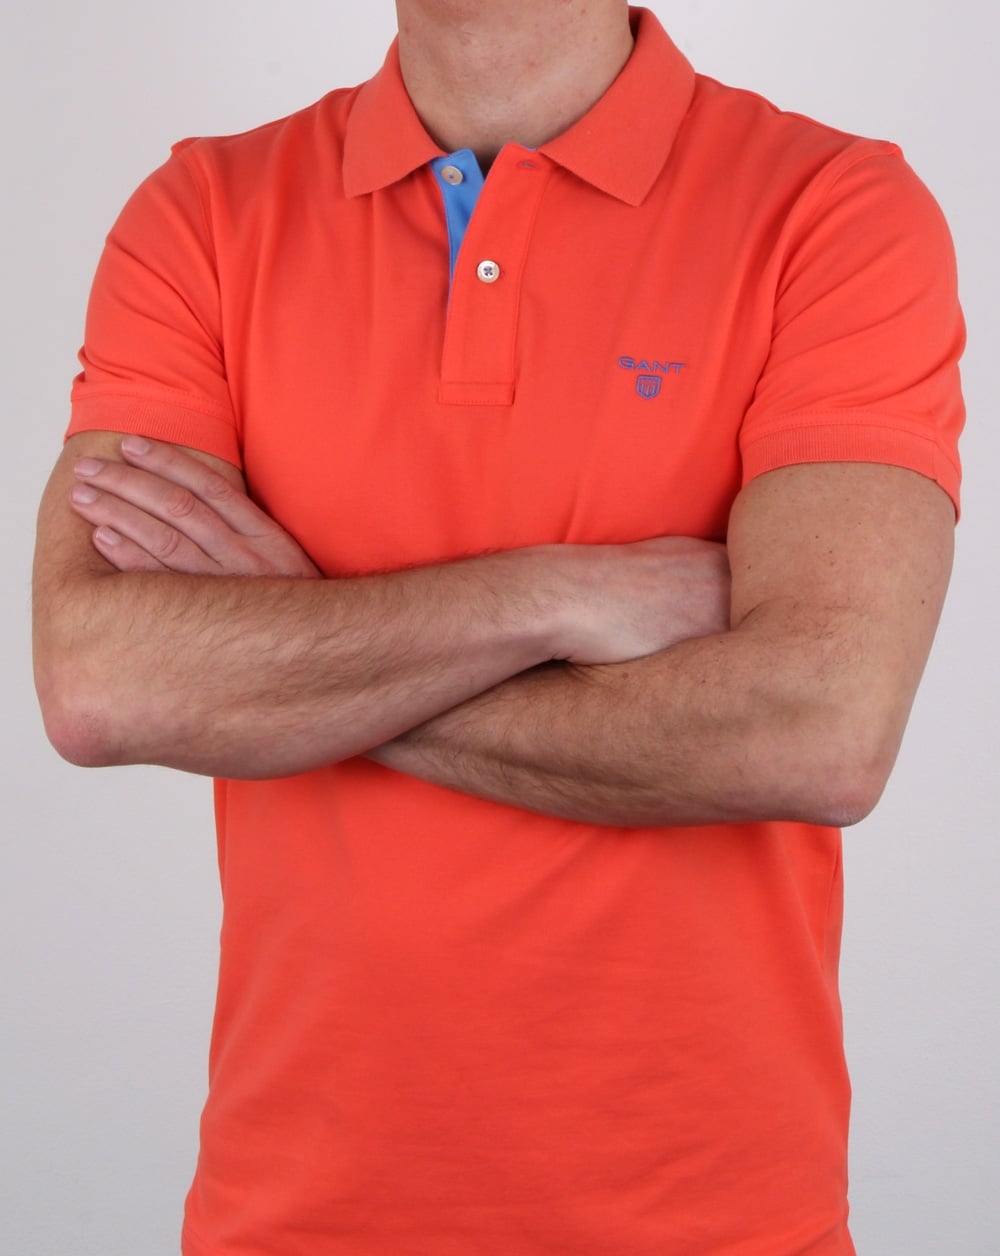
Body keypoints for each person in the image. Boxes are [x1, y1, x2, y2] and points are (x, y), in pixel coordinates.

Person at [32, 2, 964, 1253]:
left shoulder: (831, 209)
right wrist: (552, 596)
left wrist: (294, 649)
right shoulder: (205, 211)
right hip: (288, 1216)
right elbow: (100, 681)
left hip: (712, 1222)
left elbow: (817, 732)